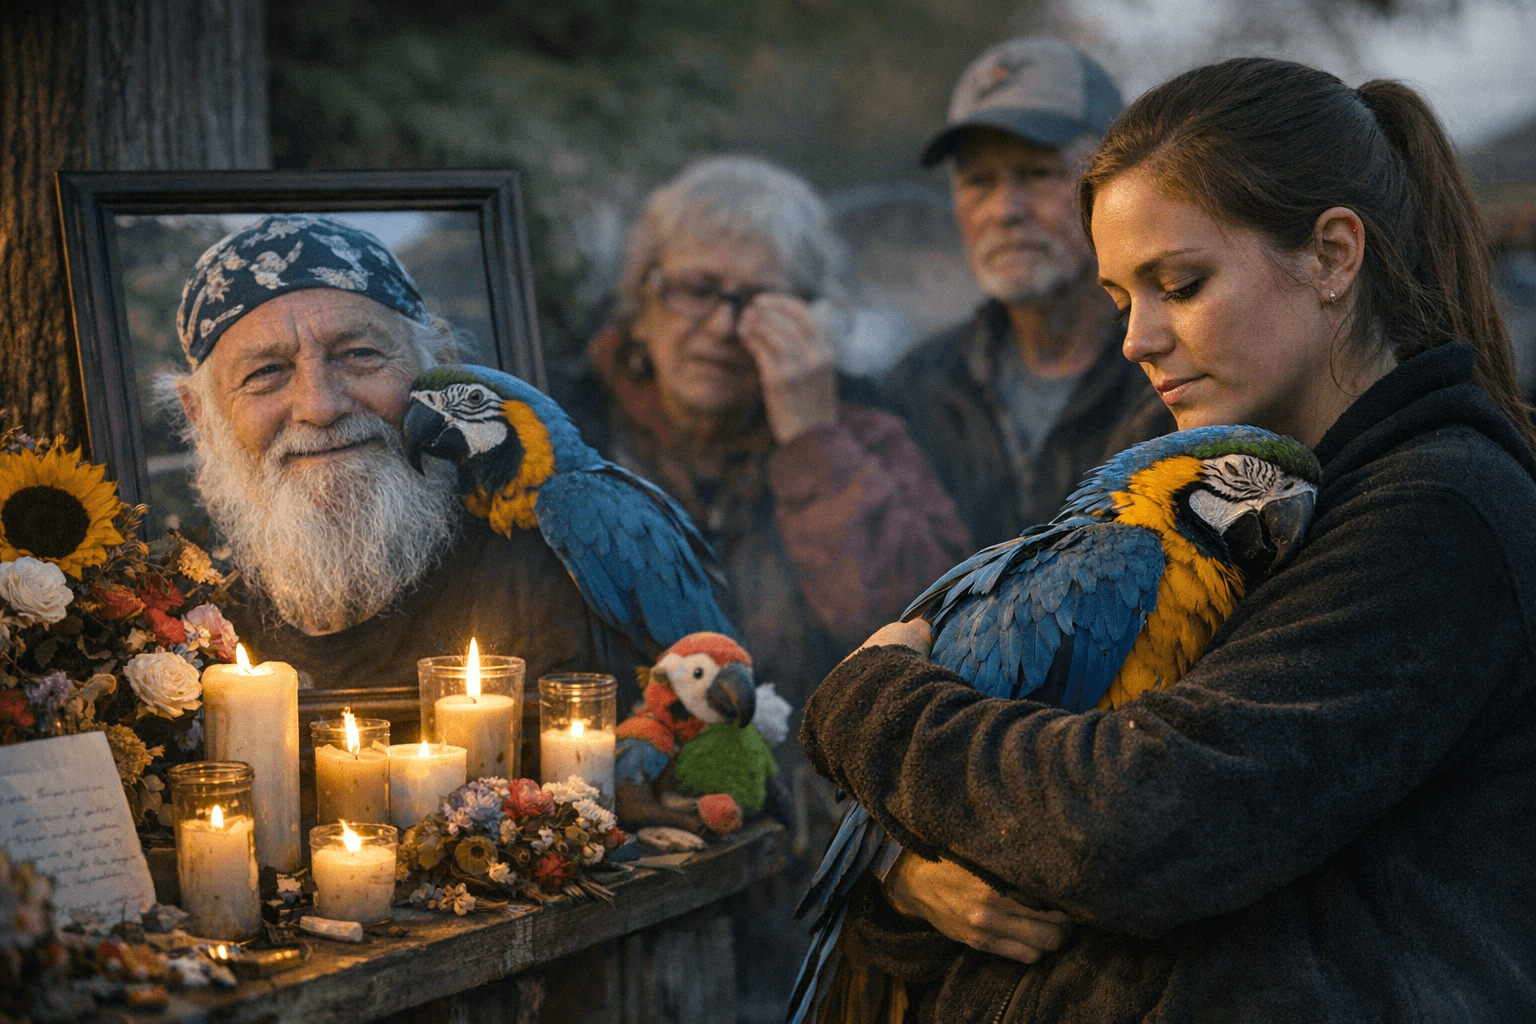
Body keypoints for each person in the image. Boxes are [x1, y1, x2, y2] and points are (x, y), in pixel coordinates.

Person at [800, 57, 1536, 1022]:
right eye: (1119, 300)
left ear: (1331, 256)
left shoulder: (1438, 512)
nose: (1136, 340)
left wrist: (872, 706)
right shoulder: (1250, 493)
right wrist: (910, 868)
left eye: (1178, 284)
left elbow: (1140, 826)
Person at [171, 214, 651, 706]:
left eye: (359, 353)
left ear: (438, 358)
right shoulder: (176, 626)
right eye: (267, 372)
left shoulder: (555, 573)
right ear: (201, 415)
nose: (319, 406)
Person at [551, 155, 971, 711]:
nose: (724, 328)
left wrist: (811, 437)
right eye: (698, 290)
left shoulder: (862, 430)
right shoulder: (568, 425)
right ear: (643, 305)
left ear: (810, 316)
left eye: (757, 302)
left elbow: (923, 630)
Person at [881, 36, 1173, 549]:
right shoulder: (915, 387)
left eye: (1039, 173)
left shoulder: (1177, 370)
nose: (1004, 210)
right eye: (978, 181)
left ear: (1118, 183)